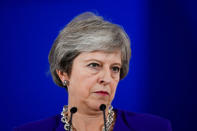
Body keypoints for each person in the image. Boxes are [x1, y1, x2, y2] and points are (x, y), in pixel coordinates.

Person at [14, 12, 172, 131]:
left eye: (115, 68)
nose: (107, 78)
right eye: (94, 65)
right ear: (63, 73)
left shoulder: (156, 127)